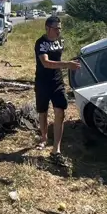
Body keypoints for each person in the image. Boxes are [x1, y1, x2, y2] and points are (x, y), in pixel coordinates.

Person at [35, 16, 81, 163]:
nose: (59, 31)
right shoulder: (40, 43)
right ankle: (43, 137)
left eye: (60, 28)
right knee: (43, 112)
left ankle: (56, 148)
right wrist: (67, 64)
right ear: (47, 28)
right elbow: (46, 63)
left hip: (57, 82)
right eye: (56, 28)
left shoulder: (60, 41)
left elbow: (59, 59)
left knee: (60, 112)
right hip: (42, 82)